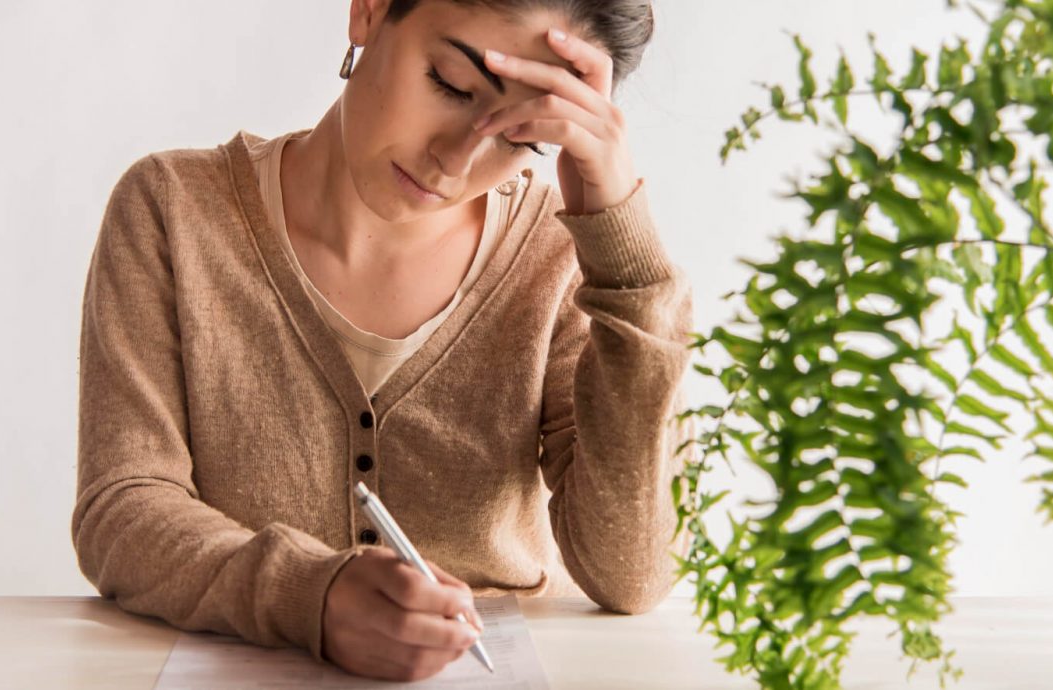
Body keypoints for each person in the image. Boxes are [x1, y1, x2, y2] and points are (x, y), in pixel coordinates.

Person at [72, 0, 694, 682]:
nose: (456, 160)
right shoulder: (174, 210)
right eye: (452, 85)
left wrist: (622, 248)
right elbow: (123, 509)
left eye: (524, 138)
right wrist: (312, 596)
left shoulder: (559, 259)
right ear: (368, 11)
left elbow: (633, 575)